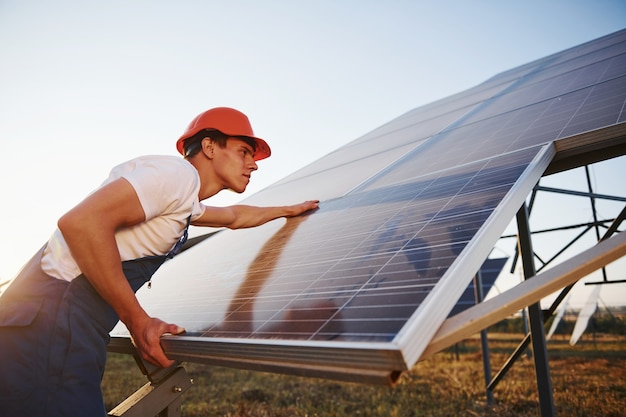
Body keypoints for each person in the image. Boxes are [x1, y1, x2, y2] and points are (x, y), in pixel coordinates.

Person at [0, 107, 319, 417]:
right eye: (244, 152)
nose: (254, 164)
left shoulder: (185, 200)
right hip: (52, 324)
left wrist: (287, 210)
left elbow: (235, 216)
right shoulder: (176, 176)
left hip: (59, 327)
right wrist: (139, 322)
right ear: (209, 146)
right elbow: (81, 223)